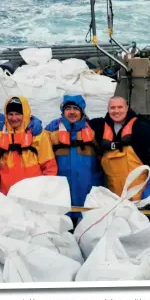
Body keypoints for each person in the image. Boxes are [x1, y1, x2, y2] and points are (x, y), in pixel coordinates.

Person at [90, 96, 150, 200]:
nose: (116, 111)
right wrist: (60, 123)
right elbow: (79, 121)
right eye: (112, 108)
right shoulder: (100, 127)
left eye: (120, 107)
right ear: (108, 109)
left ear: (127, 108)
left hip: (141, 191)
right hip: (116, 194)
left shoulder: (141, 127)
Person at [45, 94, 104, 225]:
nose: (72, 112)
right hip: (60, 194)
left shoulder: (94, 130)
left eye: (75, 109)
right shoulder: (51, 129)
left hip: (87, 193)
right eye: (68, 108)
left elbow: (103, 161)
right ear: (63, 111)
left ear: (82, 111)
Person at [0, 96, 58, 195]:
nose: (14, 118)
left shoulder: (38, 135)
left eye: (18, 114)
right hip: (7, 196)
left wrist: (46, 194)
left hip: (33, 196)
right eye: (10, 114)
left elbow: (49, 167)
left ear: (25, 114)